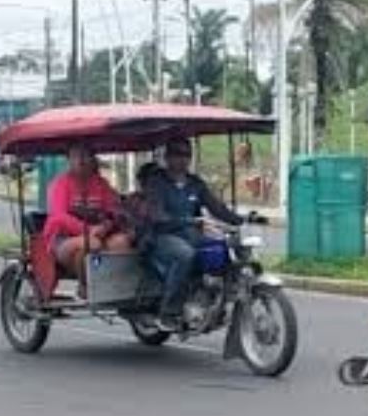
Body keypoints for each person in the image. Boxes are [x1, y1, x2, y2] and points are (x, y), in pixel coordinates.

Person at [139, 137, 245, 327]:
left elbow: (216, 207)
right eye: (178, 154)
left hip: (190, 234)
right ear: (168, 157)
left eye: (187, 154)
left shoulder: (195, 183)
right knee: (185, 255)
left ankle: (219, 297)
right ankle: (169, 311)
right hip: (161, 236)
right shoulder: (157, 183)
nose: (183, 159)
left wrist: (241, 219)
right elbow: (157, 215)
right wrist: (188, 220)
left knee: (223, 248)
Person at [43, 143, 134, 283]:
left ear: (92, 159)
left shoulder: (101, 184)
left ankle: (111, 283)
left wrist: (105, 226)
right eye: (76, 156)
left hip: (98, 235)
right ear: (69, 160)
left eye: (85, 155)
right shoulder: (61, 184)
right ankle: (84, 286)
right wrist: (87, 230)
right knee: (92, 245)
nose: (81, 160)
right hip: (62, 239)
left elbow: (113, 210)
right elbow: (59, 216)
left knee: (122, 243)